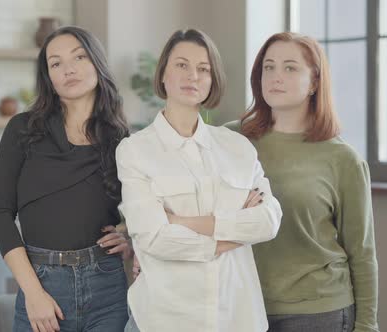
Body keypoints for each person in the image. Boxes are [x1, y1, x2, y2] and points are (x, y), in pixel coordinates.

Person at [117, 28, 282, 332]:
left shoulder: (238, 148)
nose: (193, 75)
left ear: (212, 79)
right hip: (164, 319)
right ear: (163, 74)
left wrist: (181, 222)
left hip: (236, 316)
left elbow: (268, 221)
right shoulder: (135, 151)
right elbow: (154, 239)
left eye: (203, 69)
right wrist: (236, 236)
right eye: (181, 65)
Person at [226, 32, 379, 332]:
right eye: (268, 67)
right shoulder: (230, 139)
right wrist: (131, 231)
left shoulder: (344, 159)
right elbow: (177, 181)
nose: (275, 77)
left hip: (318, 312)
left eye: (290, 67)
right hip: (241, 304)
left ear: (314, 82)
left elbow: (362, 253)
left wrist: (367, 325)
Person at [0, 26, 132, 332]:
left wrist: (129, 237)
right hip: (42, 283)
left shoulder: (120, 138)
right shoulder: (22, 129)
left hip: (107, 285)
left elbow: (141, 205)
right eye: (56, 63)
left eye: (79, 57)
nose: (68, 69)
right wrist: (34, 293)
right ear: (49, 78)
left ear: (96, 63)